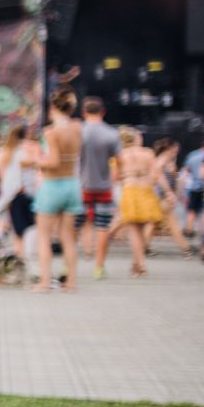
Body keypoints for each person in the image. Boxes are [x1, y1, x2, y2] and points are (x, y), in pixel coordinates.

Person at [32, 86, 84, 293]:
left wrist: (36, 160)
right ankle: (71, 282)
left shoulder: (51, 132)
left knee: (44, 236)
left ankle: (45, 281)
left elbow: (52, 161)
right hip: (72, 184)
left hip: (52, 185)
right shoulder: (77, 127)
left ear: (52, 107)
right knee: (68, 237)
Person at [76, 98, 121, 278]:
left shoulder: (78, 132)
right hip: (104, 187)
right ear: (103, 112)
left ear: (84, 112)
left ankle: (67, 265)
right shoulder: (111, 133)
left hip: (80, 186)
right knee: (102, 227)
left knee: (74, 226)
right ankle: (99, 267)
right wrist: (113, 180)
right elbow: (120, 162)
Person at [114, 127, 162, 278]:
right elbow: (156, 175)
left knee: (134, 230)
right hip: (146, 190)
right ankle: (137, 263)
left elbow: (115, 177)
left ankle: (139, 264)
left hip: (129, 190)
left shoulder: (120, 155)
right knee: (141, 229)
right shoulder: (148, 153)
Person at [0, 124, 38, 252]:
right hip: (23, 193)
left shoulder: (5, 152)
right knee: (27, 228)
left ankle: (17, 252)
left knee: (17, 229)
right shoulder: (23, 152)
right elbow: (32, 162)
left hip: (12, 194)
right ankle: (22, 254)